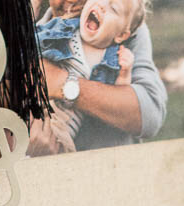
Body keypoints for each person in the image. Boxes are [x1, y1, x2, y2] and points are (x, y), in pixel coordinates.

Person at [29, 0, 167, 154]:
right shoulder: (33, 34)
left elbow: (150, 114)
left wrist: (63, 83)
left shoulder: (123, 23)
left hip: (110, 168)